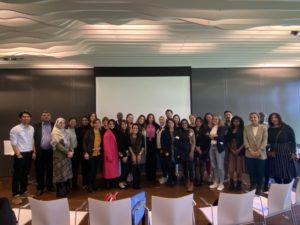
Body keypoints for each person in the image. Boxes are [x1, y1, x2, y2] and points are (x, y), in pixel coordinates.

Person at [10, 111, 36, 204]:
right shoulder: (15, 129)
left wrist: (34, 152)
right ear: (20, 118)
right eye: (24, 117)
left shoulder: (32, 128)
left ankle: (24, 192)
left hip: (29, 153)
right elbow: (13, 143)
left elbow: (32, 140)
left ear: (30, 118)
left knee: (25, 174)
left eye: (28, 116)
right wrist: (18, 154)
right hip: (20, 154)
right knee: (17, 175)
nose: (26, 118)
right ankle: (15, 195)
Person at [267, 113, 297, 184]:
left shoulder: (286, 127)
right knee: (276, 172)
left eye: (275, 117)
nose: (274, 119)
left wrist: (293, 152)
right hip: (273, 152)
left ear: (279, 118)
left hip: (285, 152)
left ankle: (286, 189)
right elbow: (267, 142)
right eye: (272, 118)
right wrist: (268, 151)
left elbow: (293, 140)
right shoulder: (269, 129)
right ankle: (279, 188)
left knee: (286, 172)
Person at [244, 112, 268, 195]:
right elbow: (245, 140)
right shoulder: (246, 128)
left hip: (261, 153)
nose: (253, 119)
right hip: (249, 153)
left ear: (258, 118)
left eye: (255, 117)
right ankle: (253, 185)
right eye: (251, 117)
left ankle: (259, 187)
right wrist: (250, 150)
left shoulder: (264, 128)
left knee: (260, 172)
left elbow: (265, 141)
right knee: (251, 171)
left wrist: (259, 151)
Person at [51, 118, 74, 197]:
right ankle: (60, 192)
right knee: (59, 175)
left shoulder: (65, 131)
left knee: (65, 174)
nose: (62, 124)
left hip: (67, 157)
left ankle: (65, 190)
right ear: (56, 123)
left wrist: (72, 150)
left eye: (63, 122)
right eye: (60, 122)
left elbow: (69, 142)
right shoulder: (54, 133)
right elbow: (57, 145)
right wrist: (68, 152)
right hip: (59, 157)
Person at [33, 111, 54, 196]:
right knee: (39, 171)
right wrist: (33, 151)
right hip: (39, 152)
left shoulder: (54, 125)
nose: (46, 116)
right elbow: (32, 140)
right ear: (41, 117)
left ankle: (49, 186)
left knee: (50, 170)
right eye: (44, 115)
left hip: (51, 151)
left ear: (50, 117)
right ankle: (40, 188)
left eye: (48, 115)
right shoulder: (35, 126)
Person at [226, 116, 245, 191]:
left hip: (240, 151)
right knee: (231, 168)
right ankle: (231, 183)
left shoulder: (243, 129)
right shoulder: (230, 129)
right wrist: (231, 149)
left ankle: (239, 184)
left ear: (240, 122)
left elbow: (245, 141)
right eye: (234, 121)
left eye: (237, 121)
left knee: (239, 168)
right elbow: (227, 140)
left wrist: (238, 150)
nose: (236, 122)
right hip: (231, 151)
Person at [83, 119, 102, 192]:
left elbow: (101, 143)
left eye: (98, 123)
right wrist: (85, 152)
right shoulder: (89, 131)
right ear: (93, 124)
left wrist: (100, 147)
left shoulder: (100, 132)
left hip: (97, 154)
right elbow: (84, 142)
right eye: (96, 123)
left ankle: (93, 184)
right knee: (90, 170)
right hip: (90, 154)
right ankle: (89, 186)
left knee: (95, 171)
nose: (97, 124)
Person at [208, 115, 226, 191]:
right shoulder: (212, 127)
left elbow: (220, 137)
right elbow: (208, 136)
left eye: (216, 119)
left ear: (219, 120)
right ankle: (216, 182)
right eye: (213, 119)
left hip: (219, 148)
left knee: (220, 166)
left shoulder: (222, 127)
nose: (214, 120)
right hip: (212, 147)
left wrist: (212, 136)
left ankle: (221, 183)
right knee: (214, 165)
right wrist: (213, 136)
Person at [161, 119, 181, 186]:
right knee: (169, 166)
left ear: (174, 123)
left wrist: (178, 153)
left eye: (171, 123)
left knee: (174, 165)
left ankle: (174, 179)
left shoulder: (177, 132)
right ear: (167, 124)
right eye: (169, 123)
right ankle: (170, 180)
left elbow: (179, 142)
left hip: (175, 151)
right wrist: (165, 151)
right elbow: (162, 143)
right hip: (168, 151)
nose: (170, 124)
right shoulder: (164, 132)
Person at [179, 119, 196, 192]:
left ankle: (192, 183)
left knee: (190, 167)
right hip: (182, 152)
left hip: (189, 151)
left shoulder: (191, 131)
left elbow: (193, 142)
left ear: (187, 123)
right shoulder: (179, 131)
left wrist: (192, 151)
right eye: (182, 123)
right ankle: (187, 180)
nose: (184, 124)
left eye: (185, 123)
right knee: (184, 167)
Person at [102, 119, 119, 188]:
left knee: (112, 171)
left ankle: (112, 184)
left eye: (113, 124)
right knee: (108, 171)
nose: (111, 125)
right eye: (110, 124)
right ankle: (107, 185)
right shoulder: (107, 134)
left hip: (114, 155)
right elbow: (106, 146)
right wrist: (109, 156)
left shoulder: (113, 132)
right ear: (108, 125)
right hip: (109, 155)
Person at [129, 124, 145, 189]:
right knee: (134, 169)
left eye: (136, 128)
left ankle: (139, 183)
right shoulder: (129, 136)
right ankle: (134, 184)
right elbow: (129, 146)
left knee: (139, 170)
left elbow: (143, 146)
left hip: (140, 154)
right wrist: (133, 155)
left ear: (138, 129)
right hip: (132, 154)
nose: (135, 129)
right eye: (134, 128)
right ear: (132, 129)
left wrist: (139, 154)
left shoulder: (141, 136)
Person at [194, 117, 209, 186]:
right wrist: (196, 147)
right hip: (195, 149)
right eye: (197, 121)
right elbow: (190, 140)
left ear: (202, 122)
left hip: (203, 149)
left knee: (202, 164)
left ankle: (202, 180)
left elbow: (207, 140)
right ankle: (197, 179)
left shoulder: (205, 130)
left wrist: (200, 148)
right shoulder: (192, 130)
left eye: (199, 121)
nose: (198, 122)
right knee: (196, 165)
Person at [76, 116, 90, 188]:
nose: (84, 121)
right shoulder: (78, 129)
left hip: (89, 151)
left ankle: (89, 183)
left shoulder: (90, 129)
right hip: (81, 151)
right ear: (81, 121)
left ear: (88, 121)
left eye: (86, 120)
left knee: (89, 167)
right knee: (83, 168)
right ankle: (84, 183)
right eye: (83, 120)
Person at [145, 113, 159, 181]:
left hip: (154, 144)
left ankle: (153, 176)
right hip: (146, 144)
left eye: (152, 117)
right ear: (147, 118)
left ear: (153, 118)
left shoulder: (156, 125)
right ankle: (148, 176)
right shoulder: (145, 125)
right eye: (149, 117)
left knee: (153, 160)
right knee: (147, 160)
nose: (151, 118)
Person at [117, 120, 131, 189]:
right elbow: (120, 145)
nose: (124, 125)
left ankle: (124, 181)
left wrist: (127, 153)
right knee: (122, 169)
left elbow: (128, 144)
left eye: (125, 124)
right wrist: (124, 155)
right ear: (120, 125)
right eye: (122, 124)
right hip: (122, 154)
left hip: (127, 153)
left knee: (126, 168)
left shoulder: (127, 132)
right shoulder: (119, 133)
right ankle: (120, 182)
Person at [67, 117, 79, 190]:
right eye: (71, 121)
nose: (73, 123)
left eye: (74, 121)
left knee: (75, 168)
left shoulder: (77, 130)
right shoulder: (65, 130)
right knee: (68, 168)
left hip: (76, 151)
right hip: (68, 151)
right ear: (68, 122)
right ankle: (68, 185)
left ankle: (74, 184)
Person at [157, 116, 167, 184]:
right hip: (158, 148)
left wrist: (163, 149)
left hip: (162, 149)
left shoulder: (165, 128)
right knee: (162, 163)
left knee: (164, 163)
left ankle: (165, 177)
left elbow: (165, 140)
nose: (161, 120)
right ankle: (164, 176)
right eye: (160, 119)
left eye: (162, 119)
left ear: (164, 120)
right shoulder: (158, 128)